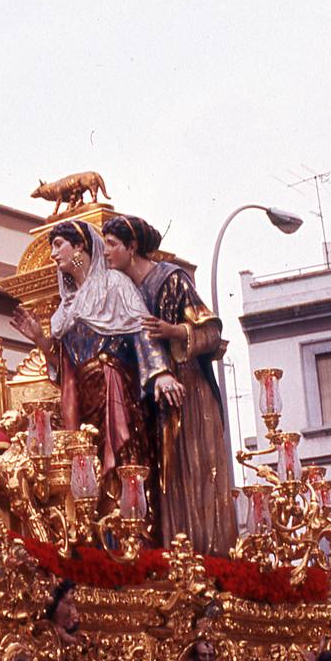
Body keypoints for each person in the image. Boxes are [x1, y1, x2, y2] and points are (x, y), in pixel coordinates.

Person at [10, 220, 182, 532]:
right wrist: (39, 338)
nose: (53, 254)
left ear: (80, 247)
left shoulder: (114, 284)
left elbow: (142, 328)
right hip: (84, 398)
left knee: (123, 459)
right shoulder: (66, 307)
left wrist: (160, 373)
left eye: (59, 244)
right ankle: (103, 534)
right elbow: (64, 370)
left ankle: (133, 535)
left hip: (114, 388)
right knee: (90, 468)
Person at [104, 215, 237, 556]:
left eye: (112, 245)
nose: (106, 252)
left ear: (132, 247)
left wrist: (174, 331)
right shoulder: (124, 291)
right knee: (168, 479)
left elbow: (212, 332)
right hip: (153, 401)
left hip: (189, 391)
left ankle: (205, 557)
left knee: (193, 471)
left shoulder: (170, 279)